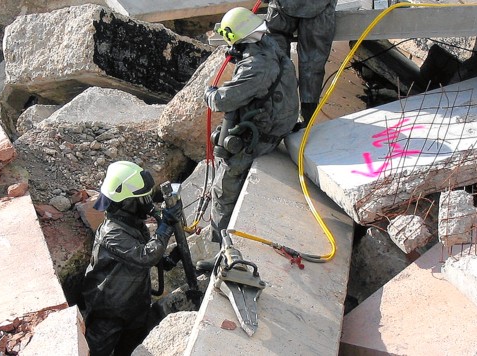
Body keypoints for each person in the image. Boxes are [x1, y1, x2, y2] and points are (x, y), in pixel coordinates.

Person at [201, 7, 299, 268]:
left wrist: (210, 93)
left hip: (263, 134)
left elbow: (224, 100)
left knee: (223, 189)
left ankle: (222, 252)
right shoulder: (269, 44)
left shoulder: (257, 66)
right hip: (278, 122)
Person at [81, 161, 182, 356]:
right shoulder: (112, 233)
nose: (148, 203)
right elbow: (145, 256)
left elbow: (147, 253)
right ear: (127, 203)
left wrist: (168, 260)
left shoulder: (132, 224)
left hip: (134, 304)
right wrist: (166, 226)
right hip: (109, 310)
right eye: (143, 198)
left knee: (130, 348)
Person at [263, 0, 338, 131]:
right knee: (312, 63)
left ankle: (278, 117)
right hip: (319, 8)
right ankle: (307, 121)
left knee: (276, 59)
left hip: (283, 7)